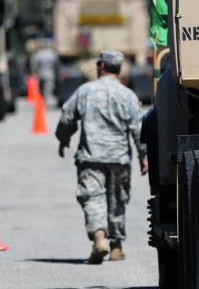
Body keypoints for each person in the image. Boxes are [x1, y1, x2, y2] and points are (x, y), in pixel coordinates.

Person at [55, 50, 148, 264]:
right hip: (119, 158)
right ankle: (116, 246)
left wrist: (63, 140)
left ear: (102, 66)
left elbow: (67, 118)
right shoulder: (128, 95)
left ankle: (99, 237)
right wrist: (144, 156)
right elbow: (138, 129)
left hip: (91, 156)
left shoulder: (85, 91)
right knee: (117, 201)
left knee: (92, 197)